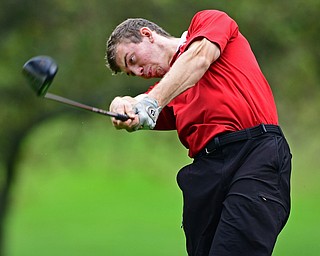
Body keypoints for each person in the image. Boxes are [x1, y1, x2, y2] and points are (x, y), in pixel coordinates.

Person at [105, 10, 292, 256]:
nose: (139, 72)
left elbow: (199, 58)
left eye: (132, 60)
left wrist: (150, 101)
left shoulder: (208, 22)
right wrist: (121, 103)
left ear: (147, 35)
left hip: (256, 155)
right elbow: (141, 107)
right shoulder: (165, 94)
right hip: (207, 172)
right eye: (132, 73)